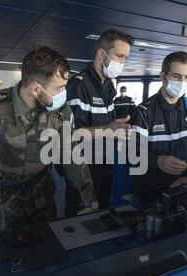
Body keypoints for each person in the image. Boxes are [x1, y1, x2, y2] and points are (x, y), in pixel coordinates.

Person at [0, 46, 97, 243]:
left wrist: (89, 201)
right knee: (7, 259)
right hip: (6, 202)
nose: (64, 94)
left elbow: (72, 157)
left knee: (47, 253)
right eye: (59, 88)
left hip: (44, 198)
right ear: (35, 88)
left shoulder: (60, 113)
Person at [65, 29, 133, 212]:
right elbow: (69, 135)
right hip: (83, 171)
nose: (122, 63)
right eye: (119, 56)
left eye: (125, 58)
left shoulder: (109, 86)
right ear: (101, 53)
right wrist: (109, 129)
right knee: (80, 225)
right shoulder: (78, 85)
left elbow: (105, 125)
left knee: (101, 217)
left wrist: (118, 127)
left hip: (105, 164)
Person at [129, 51, 187, 194]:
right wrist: (157, 161)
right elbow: (130, 154)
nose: (182, 82)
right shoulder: (144, 112)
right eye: (176, 76)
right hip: (150, 191)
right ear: (163, 77)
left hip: (184, 188)